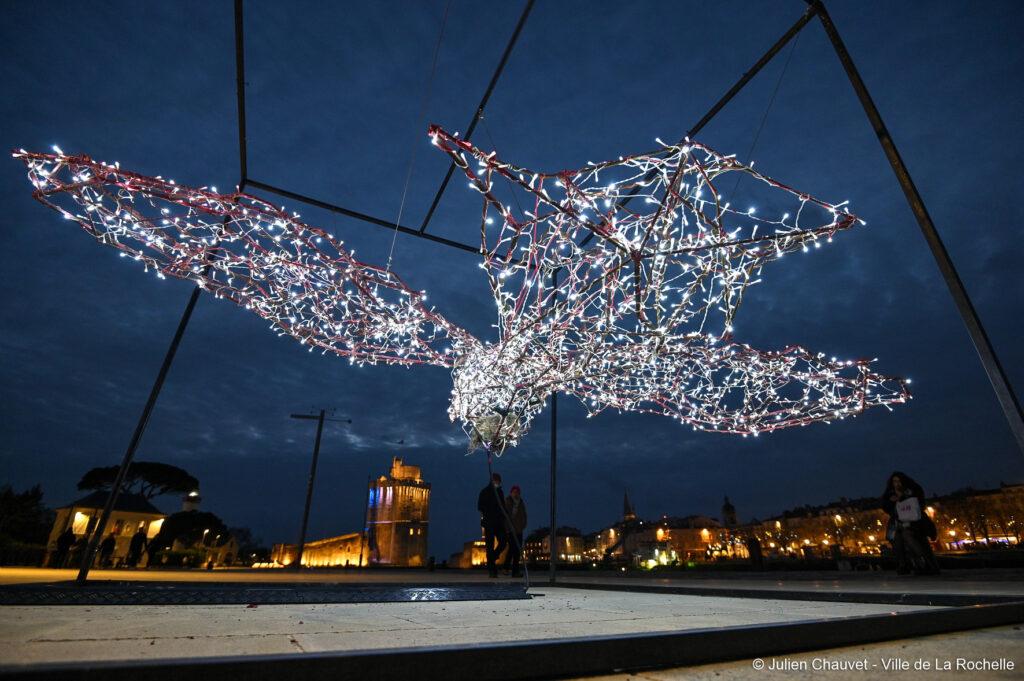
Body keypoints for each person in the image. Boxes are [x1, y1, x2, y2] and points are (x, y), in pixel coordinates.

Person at [882, 471, 939, 575]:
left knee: (907, 534)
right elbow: (885, 506)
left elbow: (919, 503)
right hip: (898, 521)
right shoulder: (890, 494)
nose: (897, 483)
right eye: (895, 481)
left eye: (899, 481)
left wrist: (902, 497)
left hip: (915, 521)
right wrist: (892, 501)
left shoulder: (913, 490)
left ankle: (924, 563)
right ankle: (903, 565)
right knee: (896, 538)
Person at [477, 472, 507, 578]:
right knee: (489, 546)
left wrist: (504, 516)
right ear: (492, 481)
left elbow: (503, 506)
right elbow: (480, 506)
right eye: (497, 481)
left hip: (499, 523)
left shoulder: (500, 492)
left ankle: (493, 557)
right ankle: (492, 569)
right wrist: (489, 511)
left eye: (499, 481)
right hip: (489, 523)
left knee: (503, 541)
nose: (498, 482)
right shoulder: (485, 492)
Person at [503, 485, 527, 577]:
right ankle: (509, 569)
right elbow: (504, 515)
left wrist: (522, 526)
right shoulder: (507, 501)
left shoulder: (521, 503)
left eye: (517, 492)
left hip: (518, 530)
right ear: (511, 493)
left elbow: (524, 515)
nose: (515, 493)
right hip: (509, 530)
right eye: (514, 492)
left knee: (517, 550)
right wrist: (506, 528)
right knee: (513, 549)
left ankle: (512, 570)